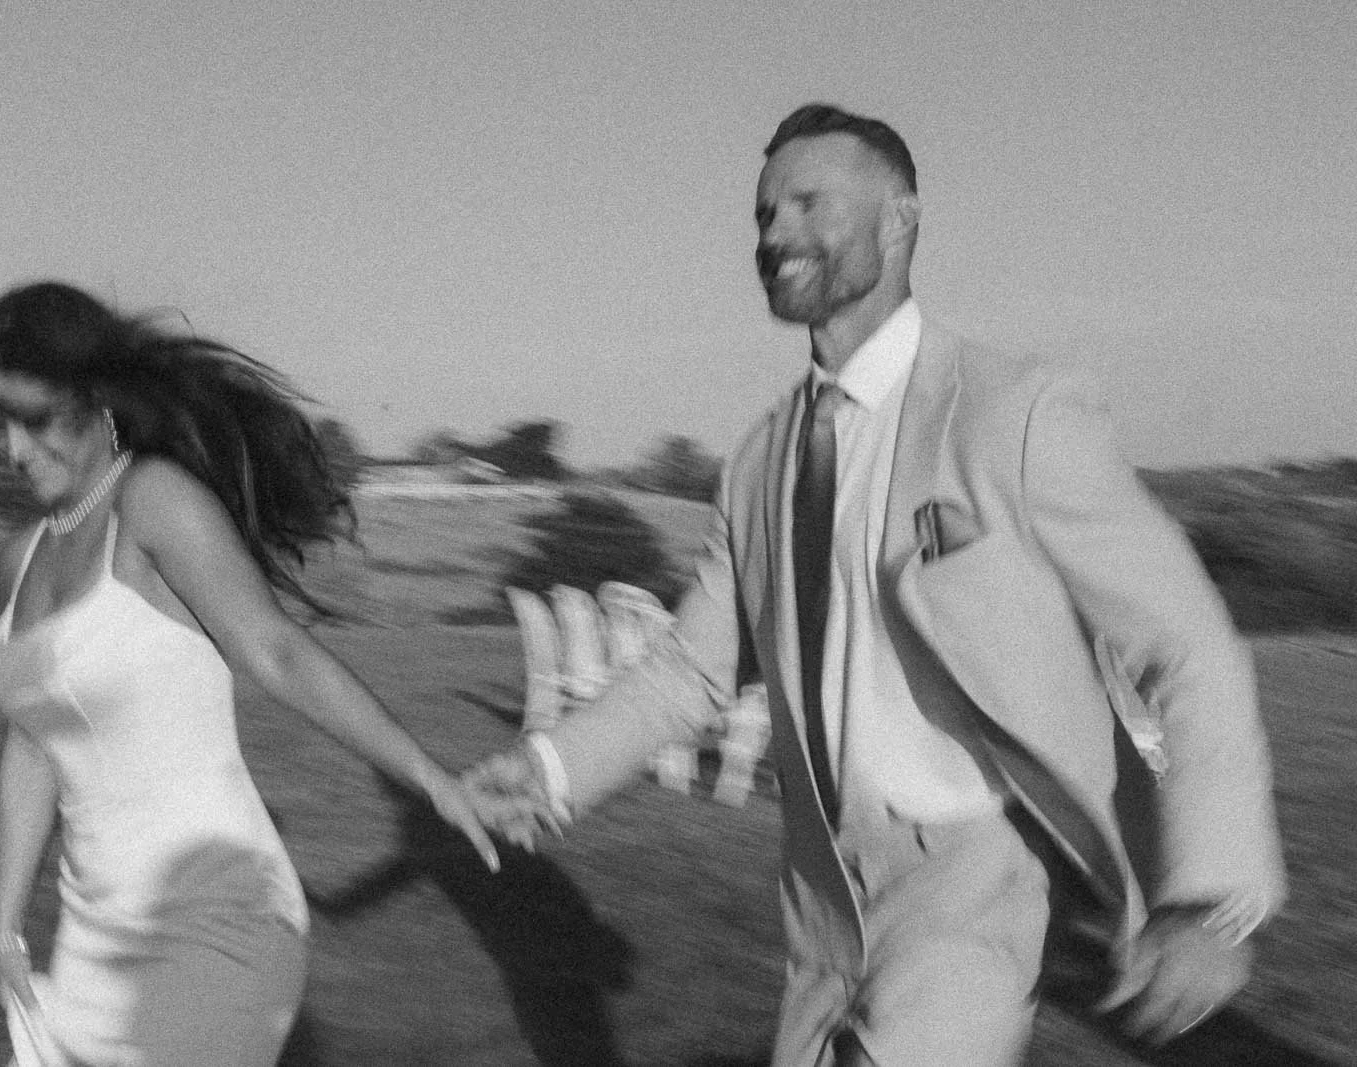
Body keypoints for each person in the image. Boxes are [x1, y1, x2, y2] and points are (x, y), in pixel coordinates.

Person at [467, 104, 1286, 1065]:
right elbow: (691, 670)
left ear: (899, 220)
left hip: (979, 875)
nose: (774, 235)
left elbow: (1185, 641)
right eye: (764, 214)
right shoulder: (760, 459)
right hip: (822, 888)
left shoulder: (1013, 416)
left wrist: (1208, 898)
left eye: (808, 203)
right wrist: (553, 769)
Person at [0, 280, 498, 1066]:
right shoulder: (21, 559)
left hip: (218, 920)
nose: (13, 448)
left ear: (98, 397)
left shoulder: (153, 502)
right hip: (89, 943)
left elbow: (275, 651)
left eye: (36, 418)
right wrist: (7, 928)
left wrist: (431, 776)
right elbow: (35, 744)